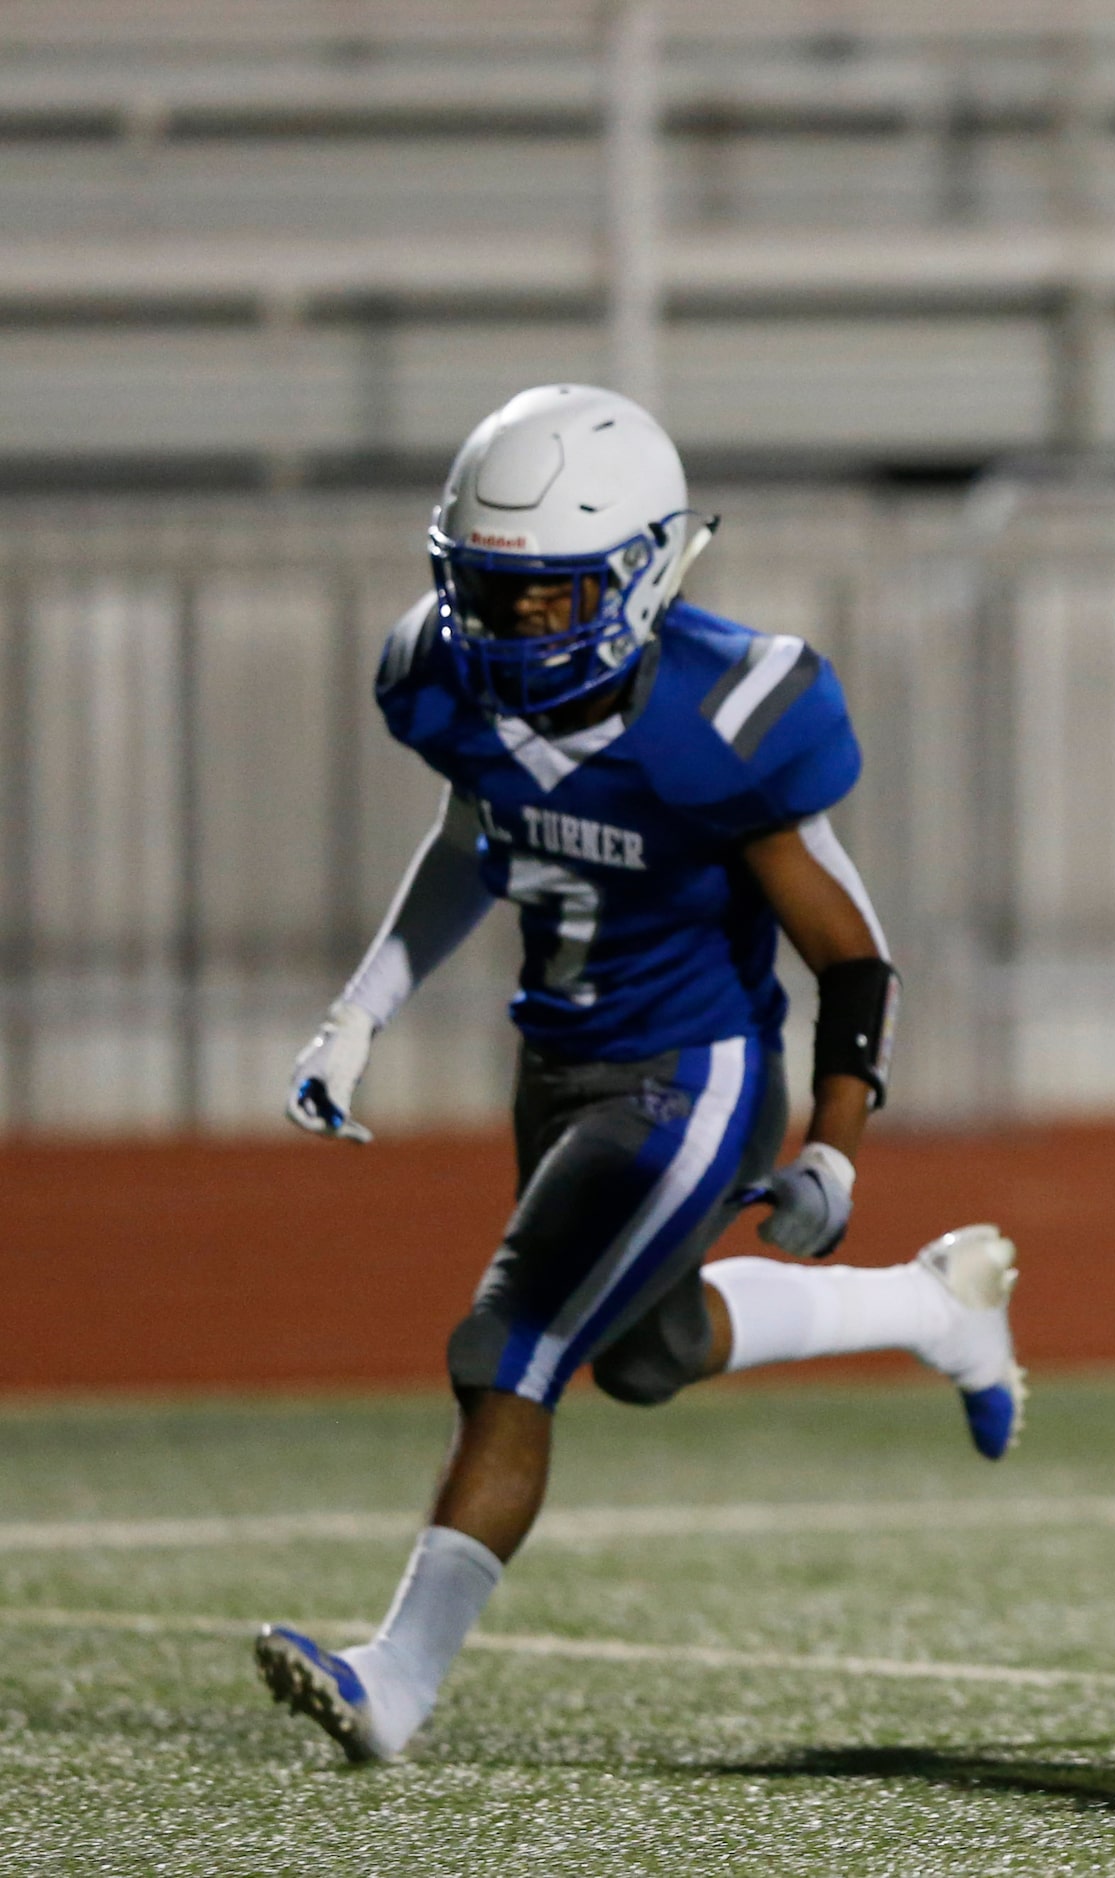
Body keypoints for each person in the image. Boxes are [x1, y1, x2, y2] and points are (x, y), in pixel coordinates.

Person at [253, 384, 1025, 1765]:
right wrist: (359, 1013)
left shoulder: (724, 718)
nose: (505, 627)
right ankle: (937, 1304)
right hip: (556, 1054)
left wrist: (836, 1149)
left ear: (645, 573)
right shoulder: (442, 679)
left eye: (544, 598)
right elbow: (472, 838)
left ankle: (397, 1681)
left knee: (516, 1345)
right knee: (651, 1352)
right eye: (485, 592)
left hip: (692, 1072)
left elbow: (852, 958)